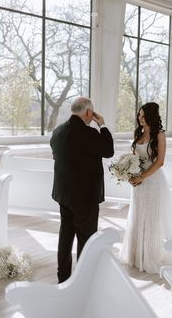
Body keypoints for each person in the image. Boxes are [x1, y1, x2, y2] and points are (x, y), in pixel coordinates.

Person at [120, 102, 172, 274]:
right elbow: (135, 158)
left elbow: (160, 162)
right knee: (138, 214)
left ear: (151, 116)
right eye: (139, 115)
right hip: (137, 183)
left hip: (152, 181)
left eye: (143, 115)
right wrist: (129, 172)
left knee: (151, 217)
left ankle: (149, 256)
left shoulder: (159, 135)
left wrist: (141, 177)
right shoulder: (138, 133)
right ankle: (136, 255)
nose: (140, 118)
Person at [50, 97, 114, 283]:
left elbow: (57, 156)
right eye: (92, 113)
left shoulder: (58, 131)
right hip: (85, 197)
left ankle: (63, 278)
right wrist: (102, 125)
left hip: (64, 194)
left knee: (66, 236)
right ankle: (83, 280)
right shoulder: (88, 133)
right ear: (88, 113)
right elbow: (108, 150)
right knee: (86, 239)